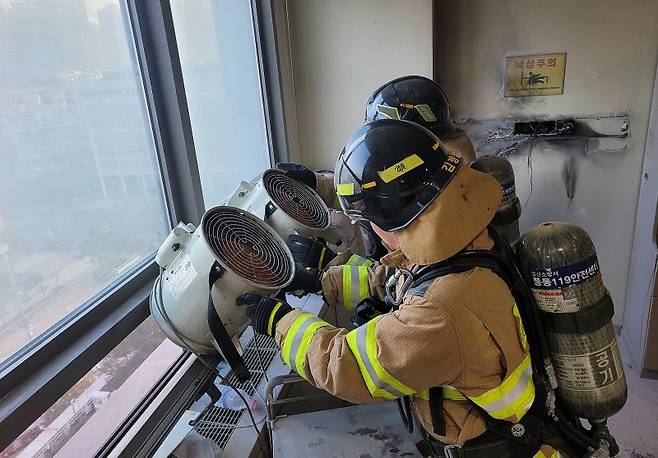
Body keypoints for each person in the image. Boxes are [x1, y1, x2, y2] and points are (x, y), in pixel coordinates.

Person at [239, 120, 564, 457]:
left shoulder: (442, 310)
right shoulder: (468, 235)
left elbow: (348, 367)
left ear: (387, 220)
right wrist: (325, 278)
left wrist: (283, 323)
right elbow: (406, 280)